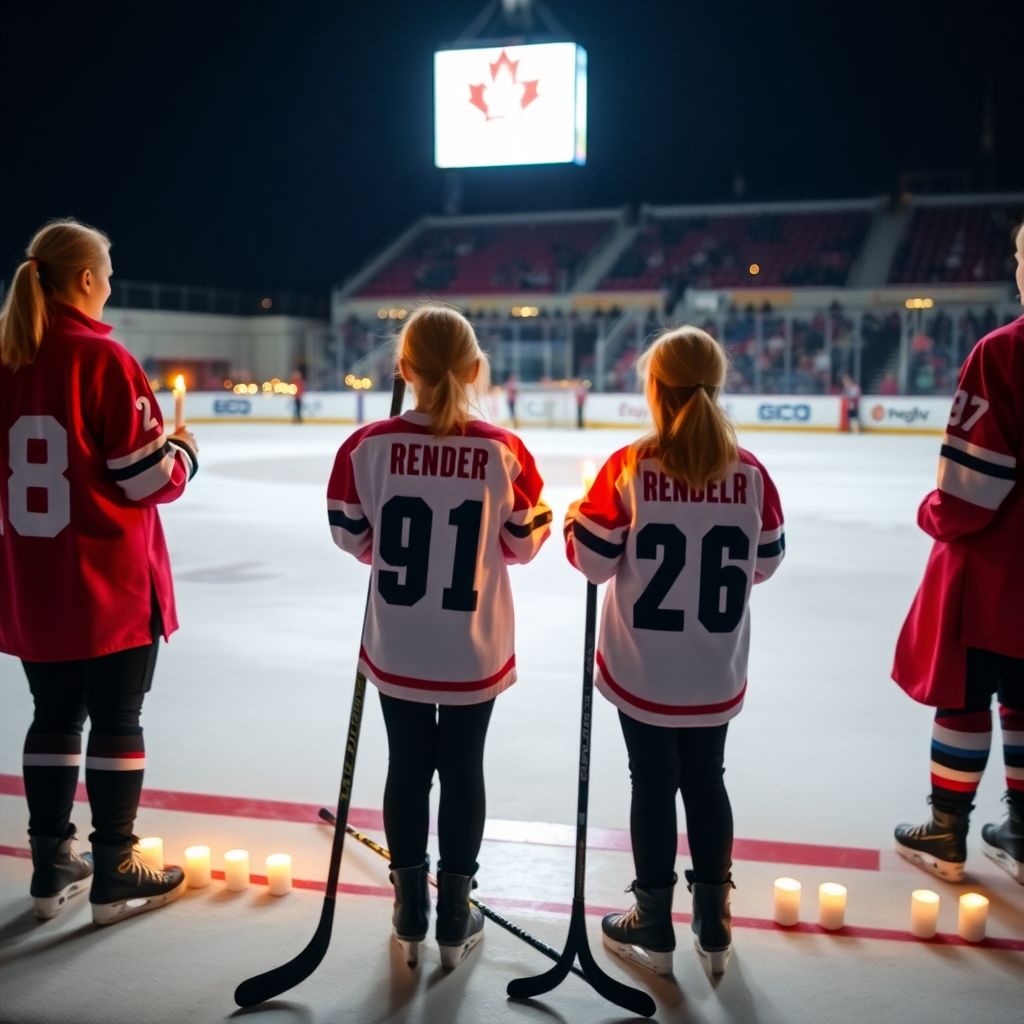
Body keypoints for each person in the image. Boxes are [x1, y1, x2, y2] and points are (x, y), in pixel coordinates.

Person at [326, 306, 551, 967]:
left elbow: (350, 535)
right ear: (476, 369)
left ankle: (409, 907)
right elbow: (524, 542)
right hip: (472, 646)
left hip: (397, 642)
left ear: (403, 369)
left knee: (406, 765)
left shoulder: (366, 445)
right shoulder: (503, 450)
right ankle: (455, 910)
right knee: (461, 767)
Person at [564, 325, 784, 977]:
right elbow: (766, 562)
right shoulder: (751, 472)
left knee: (653, 783)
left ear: (655, 390)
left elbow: (591, 563)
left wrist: (578, 518)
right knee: (707, 778)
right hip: (714, 667)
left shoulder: (631, 464)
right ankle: (714, 922)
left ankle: (653, 920)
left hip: (643, 668)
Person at [0, 219, 199, 924]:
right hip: (108, 578)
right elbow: (146, 479)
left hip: (33, 576)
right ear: (85, 279)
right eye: (107, 275)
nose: (110, 286)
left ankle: (51, 859)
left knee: (52, 716)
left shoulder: (8, 357)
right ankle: (116, 863)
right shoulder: (102, 357)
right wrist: (183, 453)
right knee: (117, 718)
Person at [892, 222, 1024, 884]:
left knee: (965, 693)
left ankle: (947, 831)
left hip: (996, 567)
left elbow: (973, 492)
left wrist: (932, 511)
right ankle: (1023, 834)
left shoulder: (1004, 351)